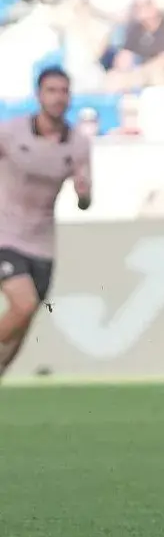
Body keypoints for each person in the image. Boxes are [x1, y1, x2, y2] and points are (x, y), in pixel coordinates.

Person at [0, 67, 92, 380]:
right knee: (23, 305)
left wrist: (83, 193)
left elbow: (85, 199)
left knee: (21, 328)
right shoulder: (12, 133)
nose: (58, 98)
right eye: (51, 90)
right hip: (6, 235)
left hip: (42, 245)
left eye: (64, 91)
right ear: (39, 95)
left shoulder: (77, 144)